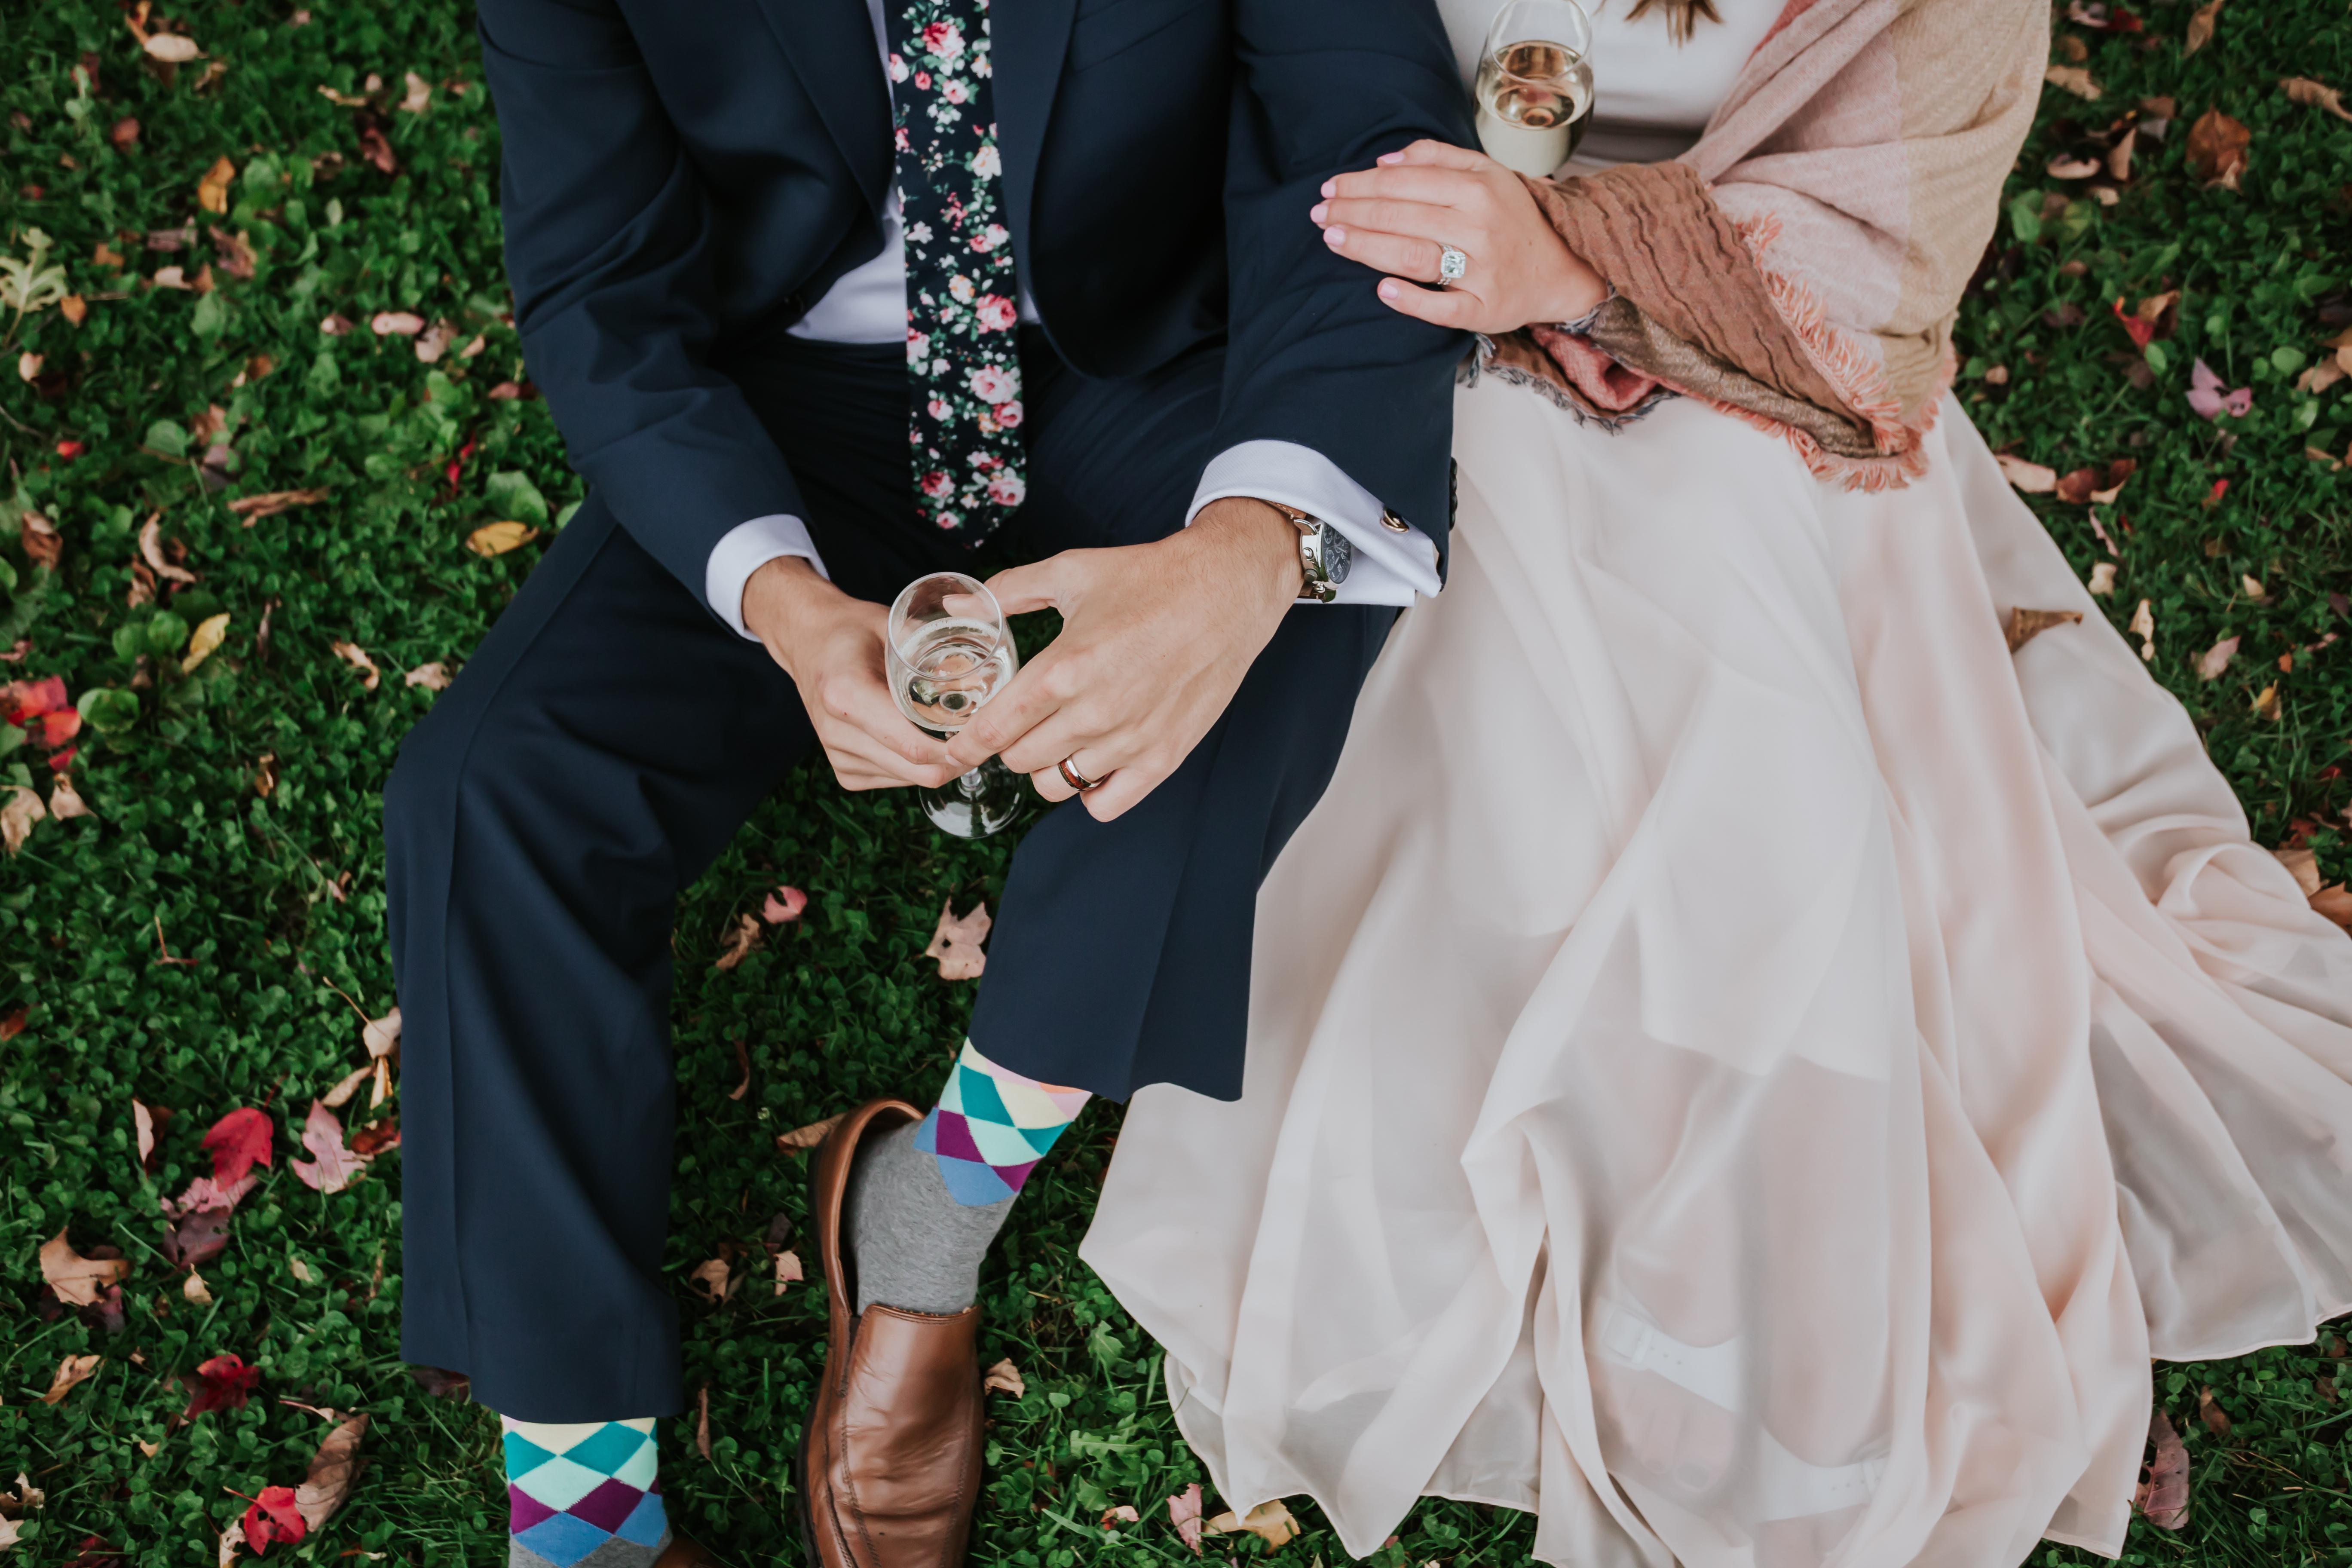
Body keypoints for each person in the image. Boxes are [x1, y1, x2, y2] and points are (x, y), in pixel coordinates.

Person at [1083, 0, 2352, 1564]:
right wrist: (1453, 275)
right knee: (1492, 602)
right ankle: (1572, 1107)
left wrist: (1587, 277)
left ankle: (1758, 1246)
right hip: (1390, 308)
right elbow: (1257, 77)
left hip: (1755, 342)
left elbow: (1887, 239)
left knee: (1730, 600)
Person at [379, 0, 1472, 1563]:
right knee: (487, 791)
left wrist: (1245, 548)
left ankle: (932, 1210)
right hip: (792, 403)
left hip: (1140, 361)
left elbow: (1369, 147)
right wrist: (778, 600)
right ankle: (581, 1495)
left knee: (1273, 629)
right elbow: (596, 282)